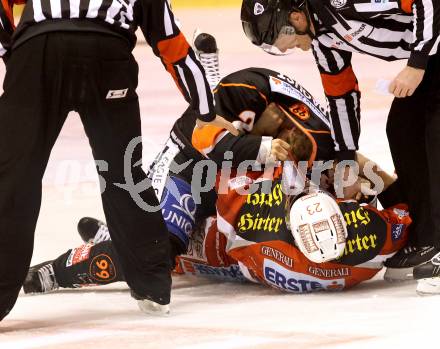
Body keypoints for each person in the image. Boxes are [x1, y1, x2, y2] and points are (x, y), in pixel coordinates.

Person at [0, 0, 240, 320]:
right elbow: (173, 46)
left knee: (13, 178)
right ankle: (152, 286)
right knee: (124, 175)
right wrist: (206, 111)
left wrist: (12, 51)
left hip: (39, 50)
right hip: (107, 56)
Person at [240, 0, 440, 281]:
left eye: (280, 39)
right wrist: (346, 159)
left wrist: (417, 63)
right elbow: (341, 95)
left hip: (431, 50)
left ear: (296, 17)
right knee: (402, 130)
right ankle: (427, 234)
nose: (285, 48)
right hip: (432, 54)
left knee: (433, 130)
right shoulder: (323, 40)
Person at [23, 152, 411, 295]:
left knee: (153, 254)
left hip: (220, 247)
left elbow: (207, 178)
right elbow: (402, 213)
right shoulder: (369, 249)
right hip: (235, 251)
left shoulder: (264, 227)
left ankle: (55, 272)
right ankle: (124, 236)